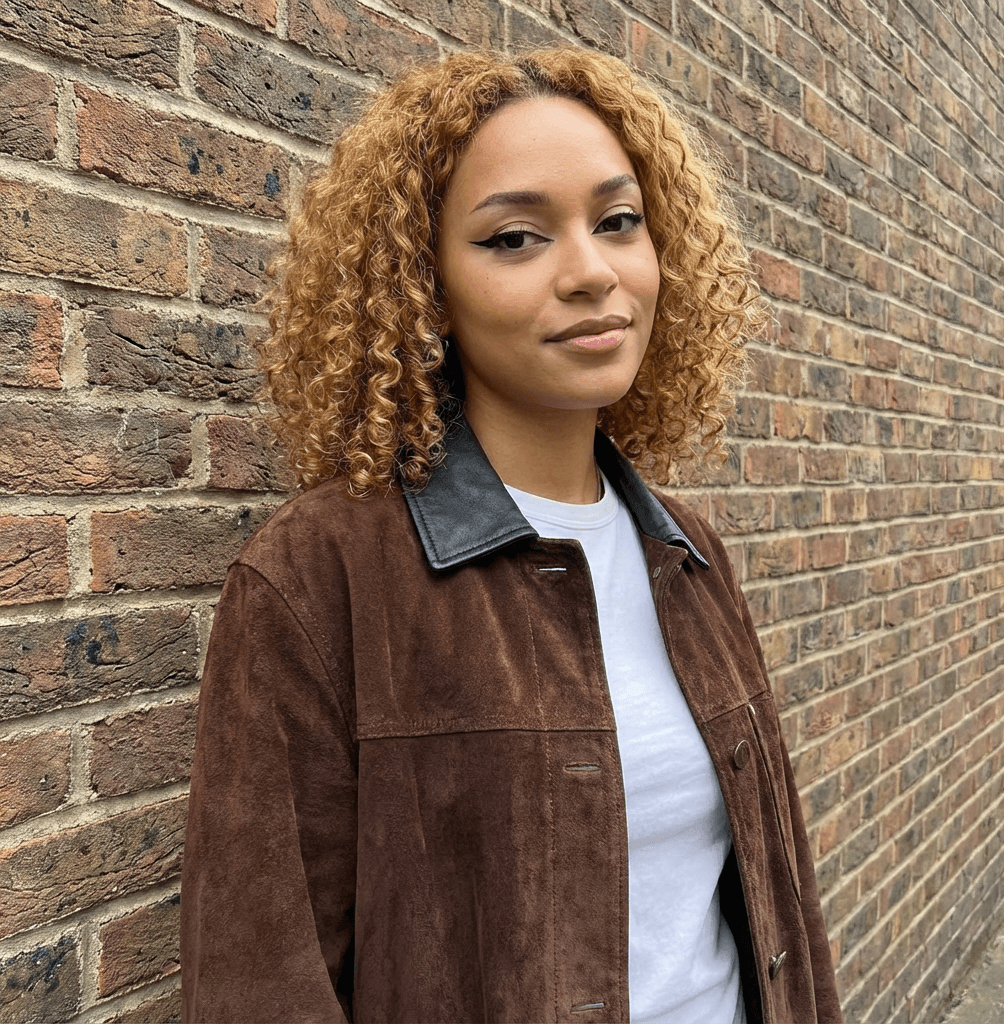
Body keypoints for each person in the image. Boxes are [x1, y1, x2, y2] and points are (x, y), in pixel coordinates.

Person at [180, 46, 843, 1024]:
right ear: (427, 289)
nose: (591, 272)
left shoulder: (689, 556)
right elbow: (258, 977)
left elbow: (777, 912)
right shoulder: (322, 573)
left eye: (618, 222)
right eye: (515, 238)